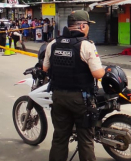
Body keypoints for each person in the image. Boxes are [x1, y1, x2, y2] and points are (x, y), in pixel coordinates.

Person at [43, 10, 105, 161]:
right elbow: (98, 74)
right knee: (85, 140)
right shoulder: (86, 46)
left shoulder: (53, 44)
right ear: (82, 26)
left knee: (59, 137)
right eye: (88, 25)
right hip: (80, 99)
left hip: (58, 97)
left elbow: (45, 68)